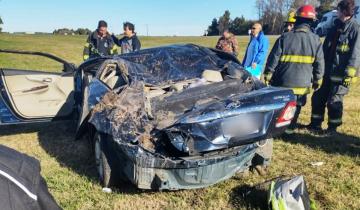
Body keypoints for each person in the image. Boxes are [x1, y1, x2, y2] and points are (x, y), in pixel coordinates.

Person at [263, 5, 324, 134]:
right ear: (312, 22)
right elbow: (319, 63)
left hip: (283, 82)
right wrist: (318, 79)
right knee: (296, 107)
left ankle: (278, 129)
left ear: (296, 20)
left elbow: (273, 58)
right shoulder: (316, 40)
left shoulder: (285, 38)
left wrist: (268, 74)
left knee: (282, 106)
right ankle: (290, 130)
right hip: (302, 84)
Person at [308, 0, 360, 136]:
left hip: (342, 73)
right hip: (327, 69)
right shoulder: (336, 26)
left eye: (338, 10)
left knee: (334, 101)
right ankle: (315, 125)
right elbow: (326, 47)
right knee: (318, 97)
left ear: (343, 11)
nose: (336, 13)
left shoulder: (355, 28)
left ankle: (332, 129)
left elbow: (356, 52)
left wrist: (349, 73)